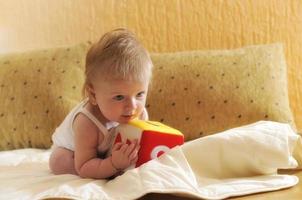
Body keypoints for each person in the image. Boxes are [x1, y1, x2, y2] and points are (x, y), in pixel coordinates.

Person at [49, 28, 153, 179]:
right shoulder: (86, 122)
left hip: (107, 151)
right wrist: (113, 164)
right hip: (76, 153)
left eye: (139, 94)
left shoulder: (139, 113)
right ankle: (103, 167)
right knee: (59, 161)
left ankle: (105, 164)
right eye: (119, 97)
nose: (132, 106)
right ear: (93, 95)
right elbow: (83, 166)